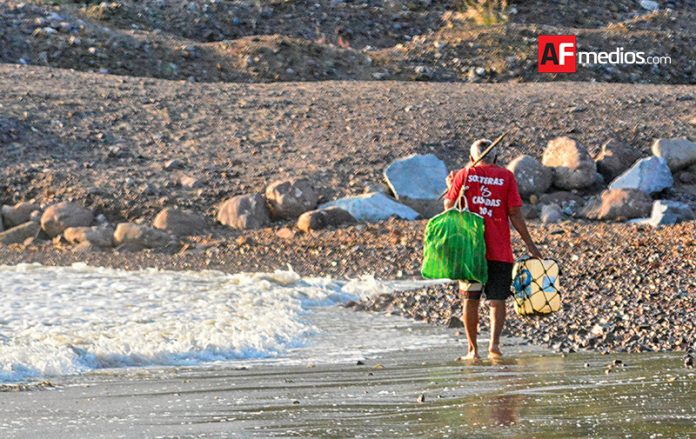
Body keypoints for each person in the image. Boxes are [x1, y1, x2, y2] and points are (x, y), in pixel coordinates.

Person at [443, 138, 542, 360]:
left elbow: (449, 208)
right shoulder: (506, 176)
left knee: (471, 298)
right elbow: (515, 213)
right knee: (497, 300)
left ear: (472, 158)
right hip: (499, 249)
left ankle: (472, 350)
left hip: (470, 251)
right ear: (496, 157)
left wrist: (451, 188)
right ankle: (494, 346)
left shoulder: (463, 175)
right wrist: (530, 244)